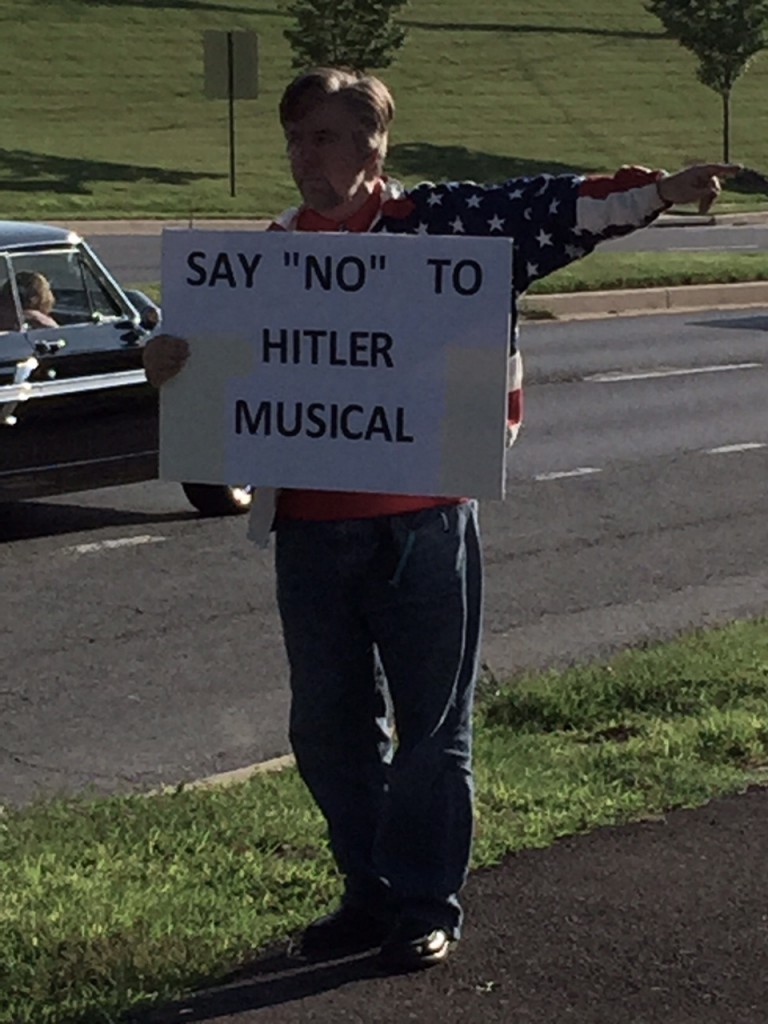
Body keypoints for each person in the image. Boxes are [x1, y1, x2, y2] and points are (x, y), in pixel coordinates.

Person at [143, 67, 738, 972]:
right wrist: (173, 368)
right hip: (307, 528)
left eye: (331, 136)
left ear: (376, 146)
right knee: (328, 729)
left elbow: (564, 206)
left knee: (432, 730)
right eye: (298, 137)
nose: (310, 156)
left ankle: (425, 903)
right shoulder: (262, 258)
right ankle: (368, 894)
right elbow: (226, 392)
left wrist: (664, 188)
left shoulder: (446, 231)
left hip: (425, 524)